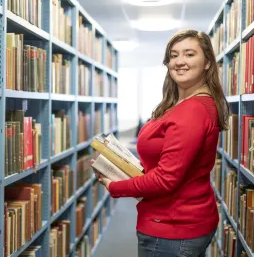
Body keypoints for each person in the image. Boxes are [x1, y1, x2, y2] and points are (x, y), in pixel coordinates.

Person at [93, 29, 229, 257]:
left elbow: (166, 179)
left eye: (189, 54)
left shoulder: (193, 110)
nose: (180, 62)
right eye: (174, 55)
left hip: (172, 227)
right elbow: (172, 164)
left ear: (207, 63)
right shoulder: (188, 104)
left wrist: (114, 186)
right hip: (180, 220)